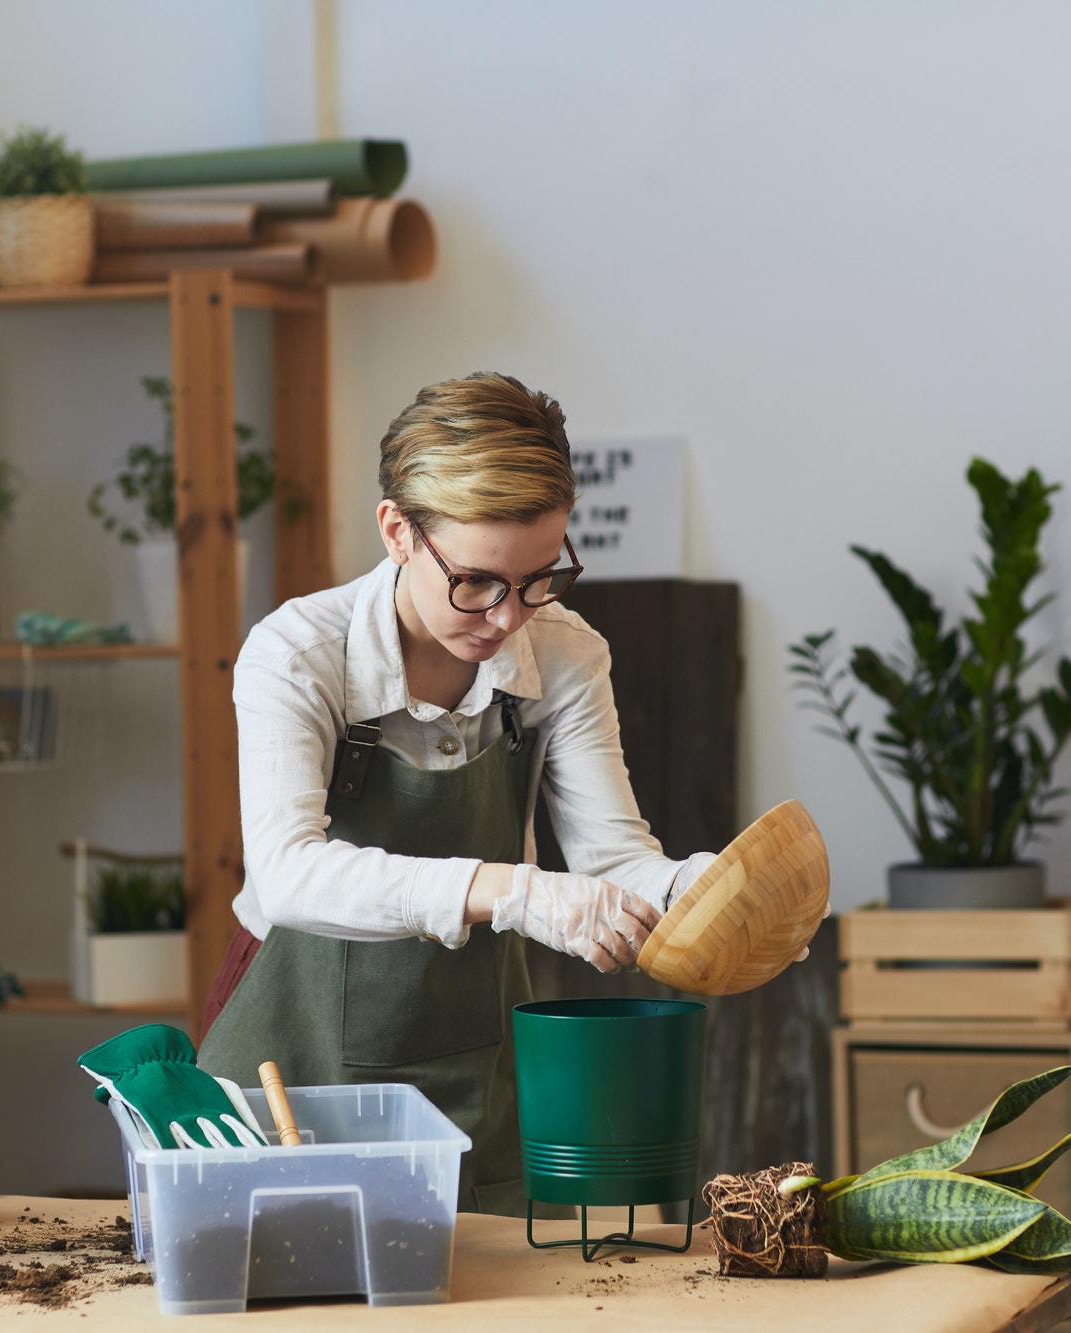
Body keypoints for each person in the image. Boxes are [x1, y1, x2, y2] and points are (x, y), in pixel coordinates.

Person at [195, 371, 713, 1215]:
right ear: (398, 531)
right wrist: (510, 889)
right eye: (477, 581)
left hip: (475, 1058)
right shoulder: (299, 653)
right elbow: (289, 874)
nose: (510, 617)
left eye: (542, 576)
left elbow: (615, 860)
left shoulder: (565, 654)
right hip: (293, 1056)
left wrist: (716, 891)